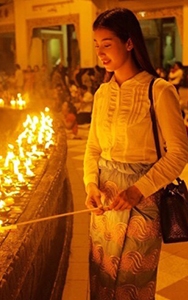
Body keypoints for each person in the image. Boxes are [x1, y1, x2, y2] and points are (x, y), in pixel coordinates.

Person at [84, 8, 188, 299]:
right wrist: (91, 185)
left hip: (142, 203)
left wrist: (137, 190)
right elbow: (93, 148)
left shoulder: (159, 90)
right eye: (97, 45)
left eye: (107, 44)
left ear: (129, 42)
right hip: (104, 206)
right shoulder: (102, 93)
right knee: (101, 278)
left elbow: (179, 153)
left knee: (132, 283)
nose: (100, 53)